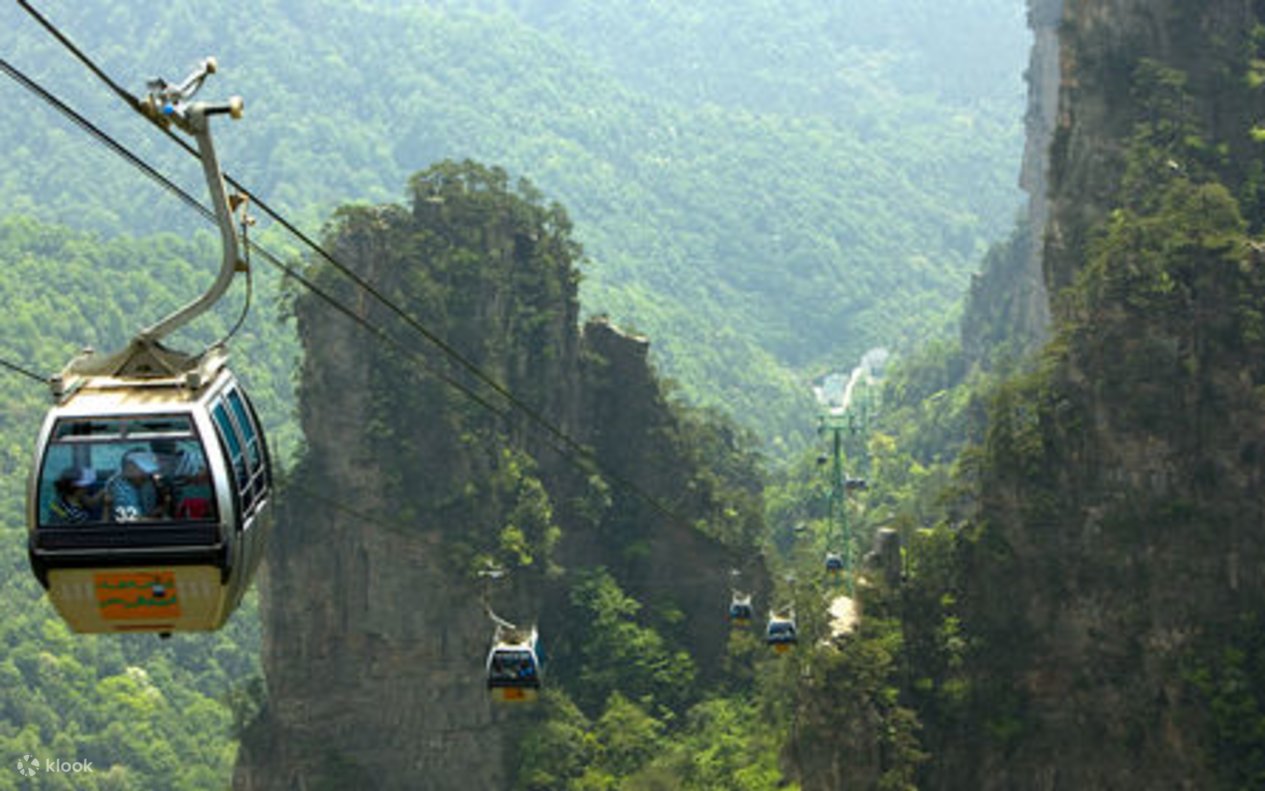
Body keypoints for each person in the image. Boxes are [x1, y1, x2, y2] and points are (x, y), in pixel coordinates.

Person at [104, 450, 169, 522]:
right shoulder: (121, 490)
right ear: (130, 469)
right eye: (142, 470)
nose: (146, 475)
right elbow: (133, 520)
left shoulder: (143, 482)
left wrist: (157, 511)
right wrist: (163, 521)